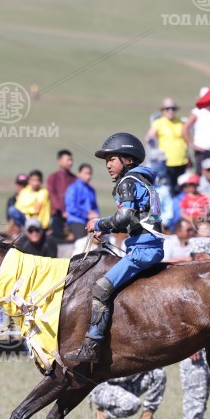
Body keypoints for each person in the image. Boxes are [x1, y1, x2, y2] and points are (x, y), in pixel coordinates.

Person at [64, 133, 165, 363]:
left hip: (143, 251)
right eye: (106, 160)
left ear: (128, 159)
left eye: (112, 159)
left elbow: (125, 216)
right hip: (148, 246)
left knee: (100, 289)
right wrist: (107, 230)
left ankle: (91, 346)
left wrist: (99, 223)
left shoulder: (128, 182)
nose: (108, 165)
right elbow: (134, 219)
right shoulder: (142, 180)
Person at [180, 237, 210, 419]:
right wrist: (191, 344)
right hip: (193, 345)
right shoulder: (186, 283)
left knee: (206, 386)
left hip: (209, 342)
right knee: (196, 387)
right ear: (199, 257)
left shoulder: (207, 281)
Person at [91, 370, 166, 419]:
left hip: (127, 381)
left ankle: (146, 418)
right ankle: (103, 414)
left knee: (158, 372)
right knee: (133, 404)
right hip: (103, 386)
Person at [146, 98, 189, 195]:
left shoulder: (180, 122)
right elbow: (149, 136)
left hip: (182, 160)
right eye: (168, 109)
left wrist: (188, 156)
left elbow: (185, 139)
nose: (171, 111)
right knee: (170, 189)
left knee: (182, 188)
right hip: (167, 161)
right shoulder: (159, 123)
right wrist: (150, 140)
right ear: (163, 110)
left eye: (173, 109)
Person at [184, 89, 210, 173]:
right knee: (203, 175)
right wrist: (192, 144)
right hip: (203, 151)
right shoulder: (196, 112)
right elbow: (185, 128)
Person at [46, 150, 76, 240]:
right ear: (60, 161)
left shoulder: (74, 179)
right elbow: (52, 195)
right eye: (68, 160)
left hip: (72, 214)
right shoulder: (53, 177)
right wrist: (62, 210)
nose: (70, 162)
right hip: (57, 214)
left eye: (71, 160)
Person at [65, 163, 99, 242]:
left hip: (90, 220)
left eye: (90, 174)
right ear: (79, 173)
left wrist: (96, 215)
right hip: (76, 220)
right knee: (82, 241)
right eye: (85, 173)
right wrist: (86, 215)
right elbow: (71, 208)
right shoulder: (73, 188)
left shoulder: (91, 190)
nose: (88, 176)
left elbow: (95, 207)